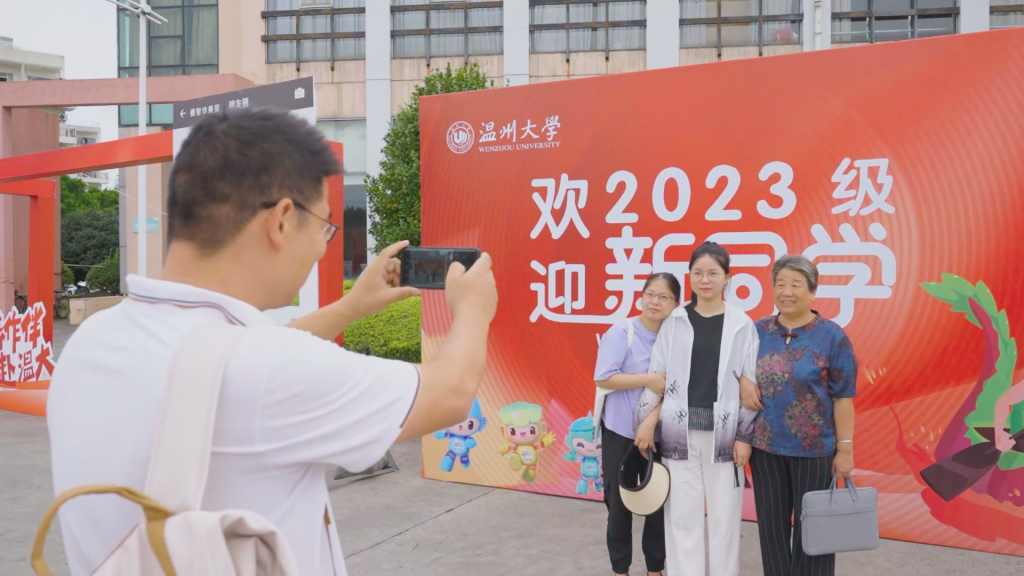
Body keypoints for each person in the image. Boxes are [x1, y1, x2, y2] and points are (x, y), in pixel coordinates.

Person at [46, 108, 498, 576]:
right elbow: (450, 392)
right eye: (324, 226)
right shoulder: (270, 369)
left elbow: (217, 364)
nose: (323, 246)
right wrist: (472, 309)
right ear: (282, 220)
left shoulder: (92, 340)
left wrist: (350, 307)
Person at [633, 242, 759, 576]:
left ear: (727, 277)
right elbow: (658, 375)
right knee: (681, 518)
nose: (705, 280)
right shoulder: (675, 321)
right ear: (689, 276)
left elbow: (750, 385)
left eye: (713, 273)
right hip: (679, 434)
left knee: (725, 519)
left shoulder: (741, 324)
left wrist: (744, 437)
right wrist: (645, 421)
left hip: (725, 436)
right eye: (698, 273)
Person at [739, 254, 858, 576]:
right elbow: (737, 372)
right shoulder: (757, 331)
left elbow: (843, 398)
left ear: (812, 291)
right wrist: (744, 381)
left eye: (796, 284)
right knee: (772, 530)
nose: (787, 292)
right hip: (765, 448)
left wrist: (845, 450)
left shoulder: (832, 336)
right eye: (780, 284)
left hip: (814, 451)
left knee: (815, 532)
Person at [593, 272, 680, 576]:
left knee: (658, 503)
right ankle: (621, 569)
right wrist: (648, 380)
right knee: (619, 505)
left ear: (676, 304)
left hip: (662, 434)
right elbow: (603, 377)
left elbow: (680, 388)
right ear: (641, 297)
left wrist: (651, 422)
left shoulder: (677, 340)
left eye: (664, 297)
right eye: (650, 294)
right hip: (620, 433)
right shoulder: (623, 331)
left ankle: (655, 569)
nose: (655, 301)